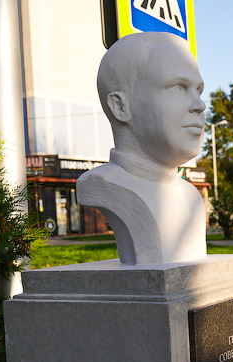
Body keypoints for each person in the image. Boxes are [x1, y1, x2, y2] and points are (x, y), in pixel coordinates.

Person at [77, 32, 207, 265]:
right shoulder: (103, 185)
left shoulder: (193, 197)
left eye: (198, 90)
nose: (200, 104)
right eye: (178, 87)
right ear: (120, 106)